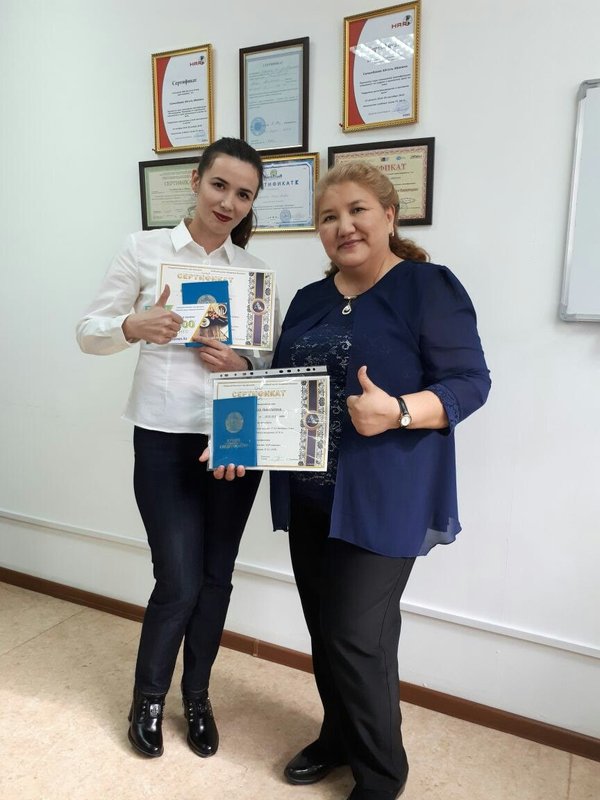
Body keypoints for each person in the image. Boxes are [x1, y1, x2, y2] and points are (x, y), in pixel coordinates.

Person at [268, 161, 491, 800]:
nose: (344, 226)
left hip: (386, 496)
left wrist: (396, 411)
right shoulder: (309, 299)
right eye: (329, 217)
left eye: (357, 210)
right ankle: (339, 736)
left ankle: (381, 775)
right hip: (311, 495)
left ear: (390, 216)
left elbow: (471, 383)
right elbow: (284, 388)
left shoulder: (428, 287)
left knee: (354, 635)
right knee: (327, 628)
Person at [76, 137, 276, 759]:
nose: (229, 202)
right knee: (179, 579)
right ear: (195, 180)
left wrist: (242, 361)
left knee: (216, 579)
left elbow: (268, 361)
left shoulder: (252, 273)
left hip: (234, 437)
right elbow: (88, 332)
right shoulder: (143, 250)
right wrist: (132, 326)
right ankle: (149, 699)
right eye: (220, 185)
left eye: (243, 194)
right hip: (163, 438)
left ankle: (197, 697)